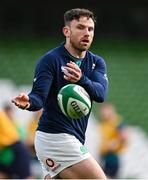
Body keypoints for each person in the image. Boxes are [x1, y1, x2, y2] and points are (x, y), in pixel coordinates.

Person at [11, 8, 108, 179]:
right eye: (80, 27)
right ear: (67, 31)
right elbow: (38, 98)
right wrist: (29, 102)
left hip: (74, 137)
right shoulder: (51, 60)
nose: (86, 33)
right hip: (54, 137)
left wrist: (81, 79)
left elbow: (101, 94)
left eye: (90, 29)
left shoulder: (96, 62)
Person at [0, 106, 33, 179]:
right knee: (3, 175)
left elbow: (27, 139)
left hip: (16, 149)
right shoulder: (5, 120)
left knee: (26, 177)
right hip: (6, 153)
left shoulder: (15, 124)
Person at [98, 103, 128, 178]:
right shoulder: (104, 123)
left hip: (112, 156)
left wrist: (114, 143)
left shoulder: (116, 121)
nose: (103, 112)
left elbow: (124, 136)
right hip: (105, 155)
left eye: (105, 110)